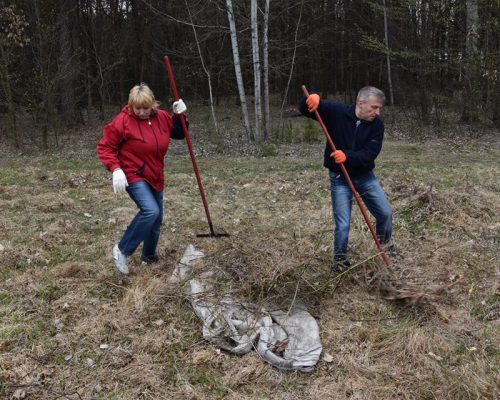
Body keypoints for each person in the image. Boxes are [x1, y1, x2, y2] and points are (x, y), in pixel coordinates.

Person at [299, 86, 395, 273]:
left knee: (385, 213)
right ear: (360, 103)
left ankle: (385, 247)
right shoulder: (337, 112)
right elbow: (307, 109)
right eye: (374, 107)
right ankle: (340, 261)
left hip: (365, 176)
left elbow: (370, 154)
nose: (377, 112)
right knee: (343, 224)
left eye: (379, 108)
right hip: (339, 178)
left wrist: (347, 156)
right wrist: (310, 100)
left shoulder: (377, 125)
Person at [97, 83, 187, 274]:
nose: (141, 112)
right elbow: (105, 147)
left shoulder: (162, 117)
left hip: (155, 174)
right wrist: (115, 169)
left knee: (156, 220)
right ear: (131, 105)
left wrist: (180, 116)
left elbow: (179, 134)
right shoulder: (122, 121)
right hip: (132, 173)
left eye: (146, 108)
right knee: (150, 211)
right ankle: (122, 250)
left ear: (153, 104)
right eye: (137, 108)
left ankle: (149, 256)